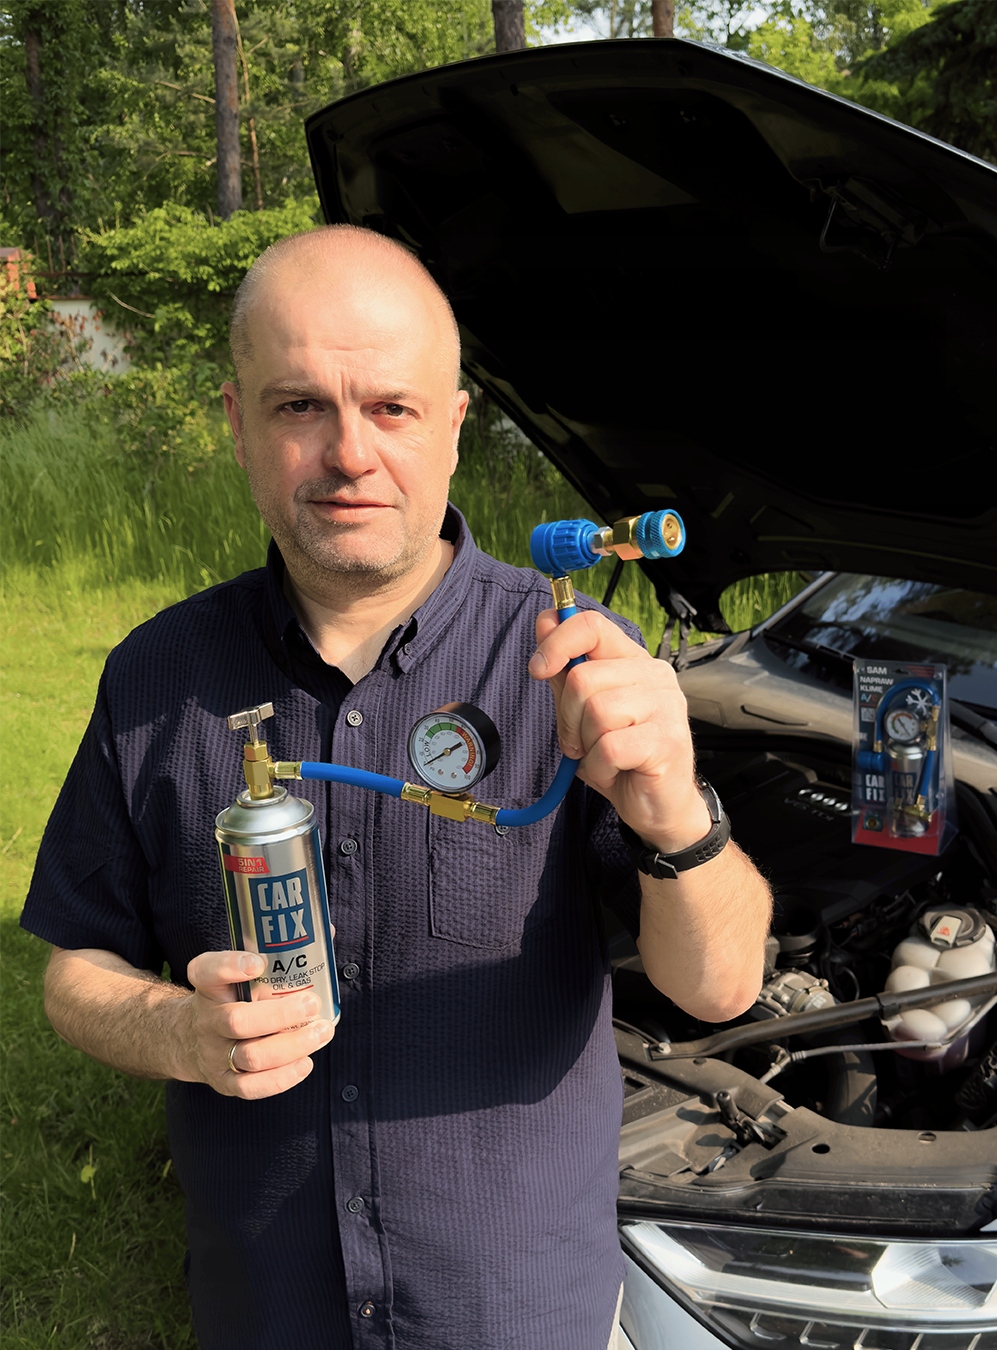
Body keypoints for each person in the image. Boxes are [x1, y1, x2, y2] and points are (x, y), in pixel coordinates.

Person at [21, 226, 771, 1350]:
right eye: (298, 406)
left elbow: (719, 989)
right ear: (236, 422)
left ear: (453, 428)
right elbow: (75, 969)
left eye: (391, 408)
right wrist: (179, 1032)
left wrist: (676, 813)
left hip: (518, 1317)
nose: (349, 454)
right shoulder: (156, 678)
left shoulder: (573, 662)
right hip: (269, 1318)